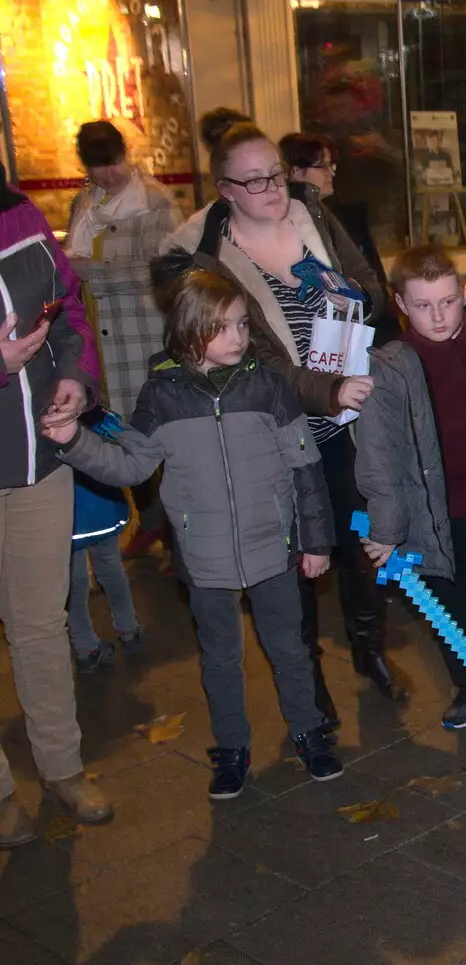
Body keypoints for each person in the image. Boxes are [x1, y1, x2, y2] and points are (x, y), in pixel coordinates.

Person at [46, 268, 342, 799]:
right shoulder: (162, 397)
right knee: (220, 658)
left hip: (273, 546)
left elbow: (305, 467)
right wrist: (73, 441)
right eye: (222, 327)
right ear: (188, 332)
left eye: (242, 325)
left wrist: (315, 541)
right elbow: (130, 467)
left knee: (291, 650)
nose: (237, 337)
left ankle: (310, 732)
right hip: (204, 556)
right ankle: (232, 748)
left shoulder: (269, 386)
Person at [162, 122, 406, 720]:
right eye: (253, 180)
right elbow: (261, 364)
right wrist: (330, 388)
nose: (272, 187)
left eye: (275, 172)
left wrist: (345, 298)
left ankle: (369, 649)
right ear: (225, 189)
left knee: (361, 541)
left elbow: (371, 287)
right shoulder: (214, 263)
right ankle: (308, 683)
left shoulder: (313, 217)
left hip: (349, 419)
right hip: (285, 429)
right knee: (295, 557)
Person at [354, 245, 466, 734]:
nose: (438, 315)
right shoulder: (389, 368)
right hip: (433, 509)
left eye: (448, 301)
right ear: (401, 304)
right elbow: (378, 454)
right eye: (424, 304)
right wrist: (387, 529)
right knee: (443, 605)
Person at [0, 165, 115, 845]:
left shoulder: (20, 217)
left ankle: (61, 767)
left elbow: (69, 307)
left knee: (41, 622)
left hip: (37, 458)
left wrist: (74, 377)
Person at [65, 121, 179, 558]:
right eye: (97, 166)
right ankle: (150, 524)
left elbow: (164, 270)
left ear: (125, 153)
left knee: (156, 439)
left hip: (142, 338)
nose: (108, 174)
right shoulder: (84, 202)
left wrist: (90, 273)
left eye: (112, 162)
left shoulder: (154, 202)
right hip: (100, 340)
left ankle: (175, 539)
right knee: (121, 438)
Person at [280, 131, 390, 323]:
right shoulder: (284, 217)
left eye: (332, 164)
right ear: (295, 172)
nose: (332, 172)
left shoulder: (324, 213)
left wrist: (358, 299)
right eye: (322, 166)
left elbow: (364, 275)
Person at [68, 459, 144, 672]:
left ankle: (86, 649)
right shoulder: (91, 424)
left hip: (62, 506)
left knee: (74, 579)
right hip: (97, 496)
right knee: (110, 565)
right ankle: (128, 630)